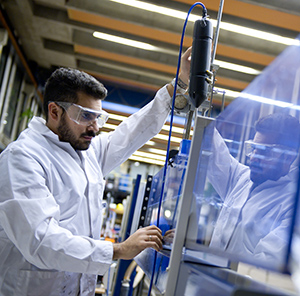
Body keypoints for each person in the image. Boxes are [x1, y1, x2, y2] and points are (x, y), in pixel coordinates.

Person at [0, 48, 192, 295]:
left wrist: (178, 86)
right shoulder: (23, 158)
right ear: (55, 112)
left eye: (98, 117)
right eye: (85, 116)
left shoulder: (85, 150)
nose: (95, 127)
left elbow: (131, 132)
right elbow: (41, 241)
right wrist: (118, 250)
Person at [207, 112, 300, 262]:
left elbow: (264, 266)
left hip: (235, 285)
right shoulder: (242, 178)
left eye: (264, 151)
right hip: (208, 279)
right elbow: (214, 153)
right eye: (253, 148)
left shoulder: (293, 206)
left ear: (288, 156)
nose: (253, 157)